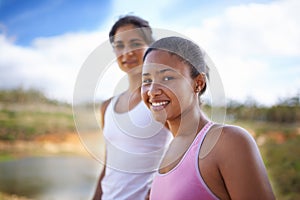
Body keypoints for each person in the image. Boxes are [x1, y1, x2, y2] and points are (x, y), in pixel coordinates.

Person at [141, 36, 275, 200]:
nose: (152, 90)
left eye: (167, 78)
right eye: (147, 80)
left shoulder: (228, 142)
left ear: (198, 83)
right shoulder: (171, 148)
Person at [92, 15, 172, 200]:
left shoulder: (161, 99)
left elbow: (189, 149)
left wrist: (155, 193)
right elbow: (108, 165)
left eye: (135, 43)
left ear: (149, 47)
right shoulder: (107, 107)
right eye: (119, 46)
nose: (127, 52)